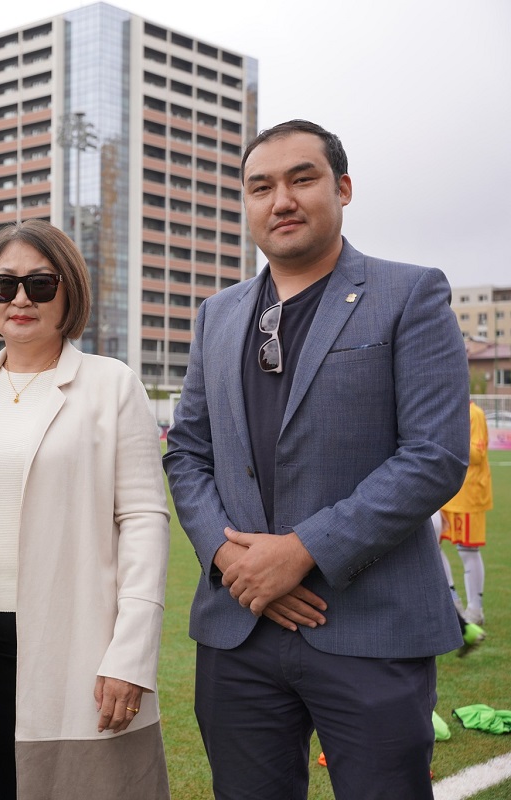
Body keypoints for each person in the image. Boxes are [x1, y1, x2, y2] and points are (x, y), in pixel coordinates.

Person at [163, 119, 471, 799]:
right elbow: (187, 452)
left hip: (370, 626)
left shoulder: (410, 294)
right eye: (261, 187)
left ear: (343, 188)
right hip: (239, 628)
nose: (281, 200)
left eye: (302, 179)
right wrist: (231, 557)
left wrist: (302, 551)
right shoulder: (217, 315)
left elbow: (434, 455)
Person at [0, 220, 172, 799]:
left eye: (40, 284)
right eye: (4, 285)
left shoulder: (113, 385)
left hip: (82, 644)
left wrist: (130, 656)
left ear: (68, 291)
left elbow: (144, 522)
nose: (21, 299)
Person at [439, 399, 493, 625]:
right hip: (446, 494)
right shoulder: (448, 412)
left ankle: (475, 610)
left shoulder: (475, 414)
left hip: (469, 495)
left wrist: (449, 440)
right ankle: (453, 601)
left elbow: (478, 454)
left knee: (467, 551)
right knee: (432, 546)